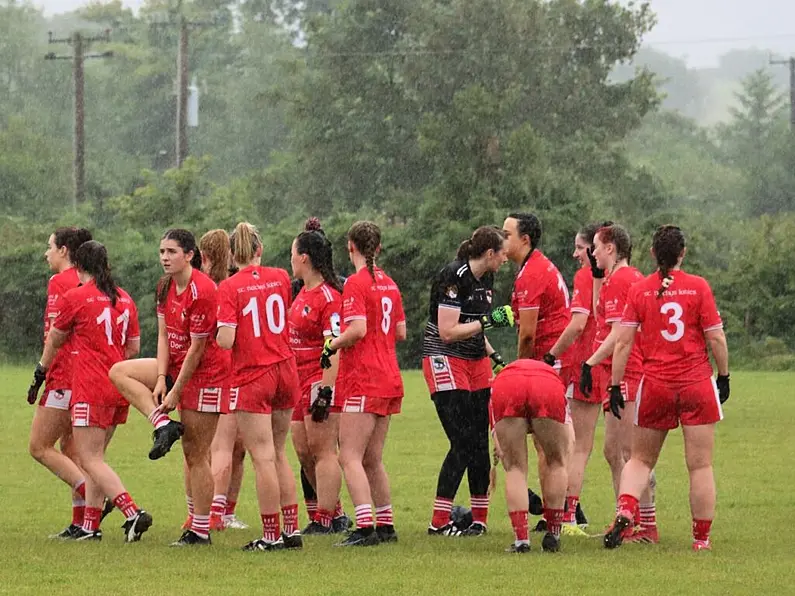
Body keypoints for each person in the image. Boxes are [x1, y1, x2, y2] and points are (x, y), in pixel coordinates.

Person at [604, 225, 729, 552]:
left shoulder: (640, 290)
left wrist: (615, 385)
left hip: (656, 384)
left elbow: (623, 342)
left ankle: (627, 508)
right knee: (700, 465)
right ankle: (701, 539)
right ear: (682, 253)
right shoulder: (698, 287)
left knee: (640, 459)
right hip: (696, 383)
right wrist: (724, 375)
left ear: (652, 254)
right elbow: (715, 336)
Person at [110, 229, 229, 547]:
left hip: (206, 375)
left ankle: (200, 531)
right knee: (120, 372)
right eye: (162, 251)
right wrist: (162, 378)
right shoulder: (164, 286)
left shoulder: (203, 290)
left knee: (196, 454)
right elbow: (164, 335)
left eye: (172, 251)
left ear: (190, 255)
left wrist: (175, 390)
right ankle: (162, 423)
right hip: (175, 367)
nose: (164, 257)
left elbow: (197, 348)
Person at [38, 241, 152, 542]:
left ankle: (132, 511)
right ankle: (90, 526)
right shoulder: (125, 298)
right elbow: (133, 347)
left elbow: (56, 338)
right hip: (119, 386)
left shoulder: (75, 296)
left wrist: (42, 369)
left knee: (89, 459)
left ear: (78, 263)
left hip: (90, 385)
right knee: (97, 457)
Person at [422, 226, 513, 536]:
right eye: (502, 253)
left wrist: (495, 356)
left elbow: (475, 327)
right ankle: (438, 523)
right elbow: (448, 332)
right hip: (444, 358)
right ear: (489, 253)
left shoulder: (486, 278)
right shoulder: (453, 276)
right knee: (461, 442)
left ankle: (478, 520)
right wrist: (489, 320)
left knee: (478, 442)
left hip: (475, 361)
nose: (505, 259)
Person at [319, 221, 406, 547]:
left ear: (350, 246)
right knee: (372, 458)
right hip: (389, 378)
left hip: (364, 378)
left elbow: (356, 329)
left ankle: (365, 526)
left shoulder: (356, 283)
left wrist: (332, 344)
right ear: (378, 248)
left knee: (350, 456)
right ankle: (386, 524)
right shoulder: (390, 284)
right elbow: (400, 333)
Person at [217, 222, 301, 552]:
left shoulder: (229, 287)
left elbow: (226, 339)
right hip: (285, 368)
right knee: (279, 453)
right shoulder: (280, 276)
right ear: (259, 250)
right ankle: (292, 530)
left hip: (253, 375)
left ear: (232, 255)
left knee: (262, 458)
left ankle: (270, 535)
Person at [579, 224, 657, 543]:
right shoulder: (619, 278)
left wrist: (589, 361)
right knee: (614, 451)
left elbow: (618, 334)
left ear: (611, 248)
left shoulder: (624, 279)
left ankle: (643, 525)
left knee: (629, 451)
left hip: (627, 373)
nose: (592, 252)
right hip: (616, 372)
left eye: (596, 246)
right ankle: (626, 519)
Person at [502, 212, 571, 531]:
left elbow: (527, 334)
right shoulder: (536, 266)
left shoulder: (531, 274)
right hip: (554, 362)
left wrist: (519, 370)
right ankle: (553, 517)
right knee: (549, 447)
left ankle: (557, 515)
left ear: (524, 239)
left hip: (548, 365)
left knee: (548, 449)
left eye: (506, 234)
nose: (502, 240)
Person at [544, 221, 613, 535]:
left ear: (595, 248)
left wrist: (551, 355)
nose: (575, 254)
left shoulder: (588, 276)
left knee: (575, 446)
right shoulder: (625, 276)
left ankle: (568, 516)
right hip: (612, 364)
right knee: (615, 450)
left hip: (584, 364)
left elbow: (578, 323)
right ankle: (637, 516)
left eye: (580, 247)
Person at [27, 227, 94, 539]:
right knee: (72, 450)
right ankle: (82, 522)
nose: (46, 253)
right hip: (86, 377)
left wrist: (41, 373)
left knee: (39, 446)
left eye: (50, 246)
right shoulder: (92, 281)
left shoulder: (61, 282)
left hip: (63, 377)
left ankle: (93, 492)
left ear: (65, 250)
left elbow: (55, 336)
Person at [289, 219, 353, 535]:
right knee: (302, 449)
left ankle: (326, 517)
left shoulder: (329, 297)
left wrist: (326, 391)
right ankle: (335, 512)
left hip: (319, 378)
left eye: (292, 254)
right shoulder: (301, 291)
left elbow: (335, 346)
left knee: (323, 449)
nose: (290, 260)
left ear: (304, 258)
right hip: (296, 381)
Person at [195, 229, 248, 532]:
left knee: (228, 447)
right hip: (231, 371)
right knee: (229, 447)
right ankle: (220, 511)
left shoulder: (214, 287)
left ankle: (219, 511)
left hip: (220, 372)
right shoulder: (225, 287)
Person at [491, 359, 573, 553]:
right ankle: (553, 533)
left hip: (508, 385)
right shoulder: (551, 373)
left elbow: (496, 439)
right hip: (547, 385)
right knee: (556, 463)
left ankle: (521, 540)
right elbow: (570, 443)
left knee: (515, 469)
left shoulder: (499, 380)